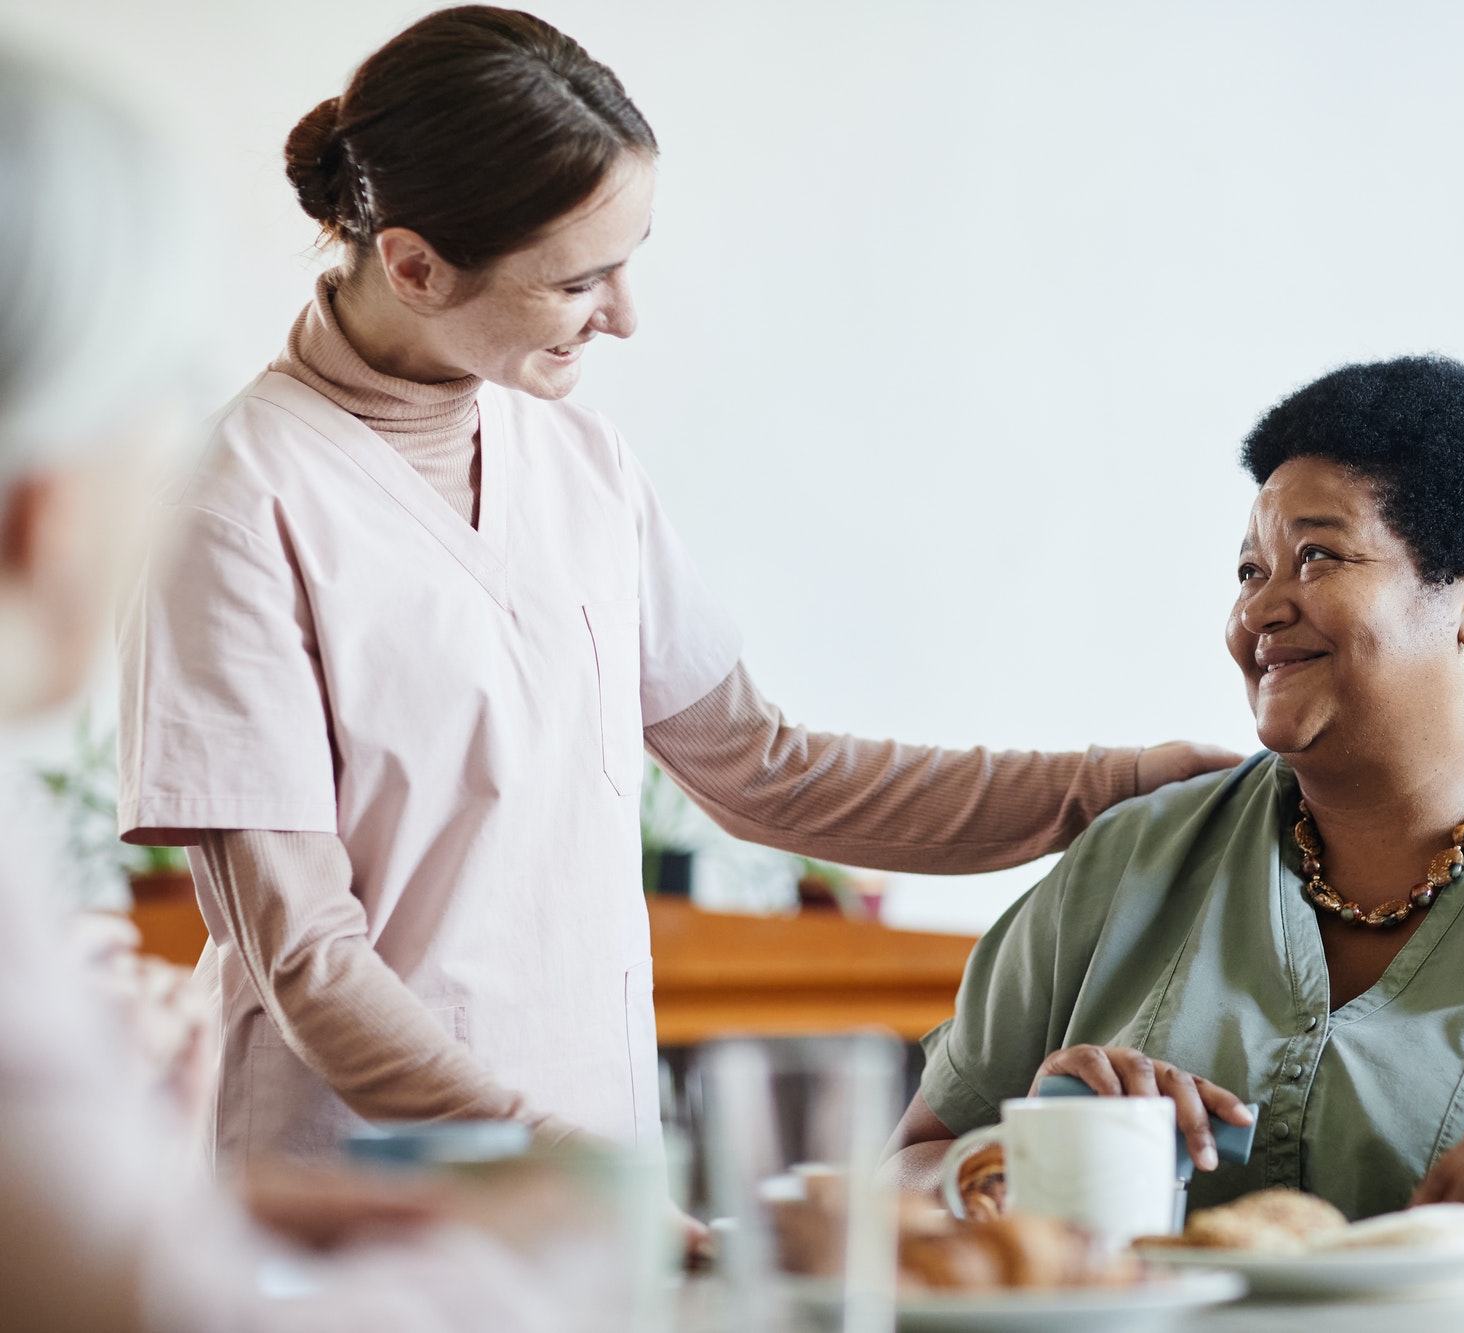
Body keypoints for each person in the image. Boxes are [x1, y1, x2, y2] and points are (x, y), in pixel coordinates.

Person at [117, 5, 1235, 1172]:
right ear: (413, 264)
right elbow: (309, 959)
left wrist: (1110, 789)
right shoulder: (234, 504)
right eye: (577, 283)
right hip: (357, 1187)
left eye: (630, 262)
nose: (625, 317)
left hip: (593, 1172)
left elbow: (764, 772)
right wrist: (568, 1170)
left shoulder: (582, 466)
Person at [0, 49, 654, 1332]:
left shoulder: (569, 458)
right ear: (46, 507)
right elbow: (130, 1295)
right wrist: (546, 1231)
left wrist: (192, 1191)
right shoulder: (251, 484)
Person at [888, 355, 1464, 1228]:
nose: (1258, 609)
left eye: (1318, 557)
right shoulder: (1130, 863)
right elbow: (902, 1172)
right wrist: (1020, 1152)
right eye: (1250, 571)